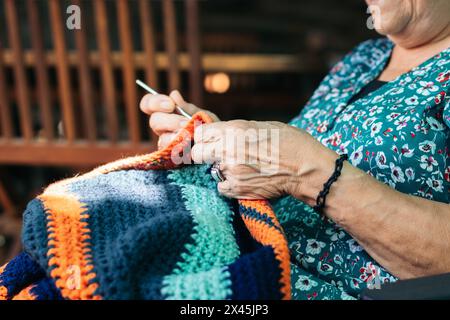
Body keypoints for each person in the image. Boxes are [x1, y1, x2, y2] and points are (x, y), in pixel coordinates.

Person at [139, 0, 450, 299]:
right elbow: (294, 162)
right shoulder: (363, 59)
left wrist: (310, 173)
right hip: (249, 250)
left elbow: (302, 163)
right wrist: (222, 145)